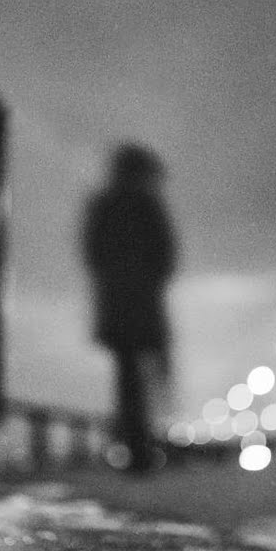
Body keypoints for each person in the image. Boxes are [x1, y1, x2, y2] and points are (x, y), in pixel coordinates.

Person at [82, 143, 178, 473]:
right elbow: (166, 255)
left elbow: (93, 253)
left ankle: (135, 447)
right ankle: (143, 448)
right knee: (146, 377)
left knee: (127, 378)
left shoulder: (104, 205)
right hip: (142, 304)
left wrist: (114, 279)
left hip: (118, 305)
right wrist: (147, 279)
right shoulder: (148, 206)